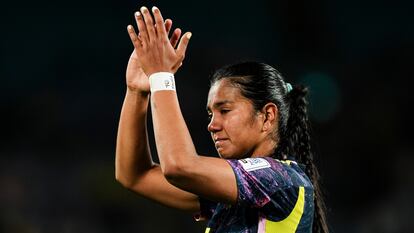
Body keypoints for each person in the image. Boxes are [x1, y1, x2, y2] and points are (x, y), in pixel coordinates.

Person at [115, 6, 329, 233]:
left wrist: (162, 77)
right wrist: (136, 92)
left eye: (224, 110)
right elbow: (135, 175)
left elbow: (179, 166)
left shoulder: (282, 181)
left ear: (267, 116)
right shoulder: (233, 196)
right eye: (210, 114)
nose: (212, 125)